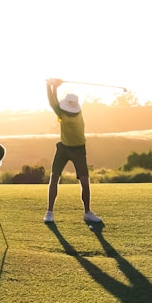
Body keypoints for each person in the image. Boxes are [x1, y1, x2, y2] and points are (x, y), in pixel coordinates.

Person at [43, 78, 103, 224]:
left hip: (77, 150)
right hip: (64, 148)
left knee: (83, 181)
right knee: (55, 177)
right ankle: (50, 212)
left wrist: (52, 86)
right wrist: (53, 86)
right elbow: (53, 102)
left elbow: (52, 102)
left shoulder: (63, 114)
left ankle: (87, 213)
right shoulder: (74, 112)